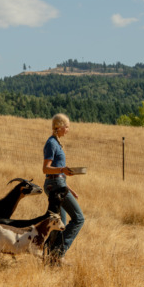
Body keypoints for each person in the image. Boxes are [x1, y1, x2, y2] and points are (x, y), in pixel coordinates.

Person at [42, 113, 84, 265]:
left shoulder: (56, 142)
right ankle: (58, 254)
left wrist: (68, 188)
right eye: (67, 127)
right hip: (56, 186)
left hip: (59, 185)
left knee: (59, 225)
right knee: (79, 218)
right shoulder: (51, 143)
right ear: (59, 127)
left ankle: (47, 257)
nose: (68, 130)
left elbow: (58, 172)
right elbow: (46, 169)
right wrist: (63, 170)